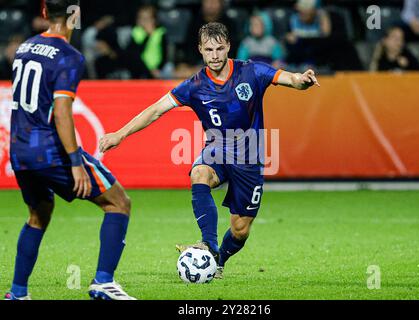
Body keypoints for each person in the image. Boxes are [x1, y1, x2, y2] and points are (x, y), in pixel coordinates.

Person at [99, 22, 319, 279]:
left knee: (240, 229)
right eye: (208, 49)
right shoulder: (194, 85)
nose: (214, 55)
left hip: (250, 156)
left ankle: (218, 259)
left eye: (219, 48)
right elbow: (156, 110)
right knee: (199, 174)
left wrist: (302, 80)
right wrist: (120, 133)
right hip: (217, 150)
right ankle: (209, 243)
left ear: (228, 47)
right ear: (200, 51)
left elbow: (289, 79)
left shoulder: (252, 72)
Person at [5, 0, 135, 300]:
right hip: (50, 151)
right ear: (75, 16)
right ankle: (103, 282)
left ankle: (17, 293)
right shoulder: (68, 56)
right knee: (118, 202)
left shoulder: (24, 48)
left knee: (38, 214)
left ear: (44, 13)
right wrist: (75, 162)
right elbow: (62, 112)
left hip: (20, 150)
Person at [125, 5, 169, 79]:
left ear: (154, 19)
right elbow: (136, 54)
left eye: (147, 18)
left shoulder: (160, 32)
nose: (144, 21)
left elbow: (165, 53)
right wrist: (147, 36)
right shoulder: (136, 32)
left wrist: (158, 68)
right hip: (140, 69)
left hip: (158, 68)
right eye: (141, 18)